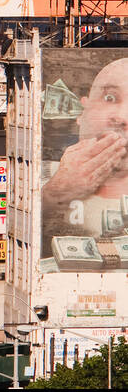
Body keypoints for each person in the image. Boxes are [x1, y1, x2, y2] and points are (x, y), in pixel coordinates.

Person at [42, 56, 128, 253]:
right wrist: (55, 193)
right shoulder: (38, 178)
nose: (121, 117)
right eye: (110, 98)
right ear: (83, 110)